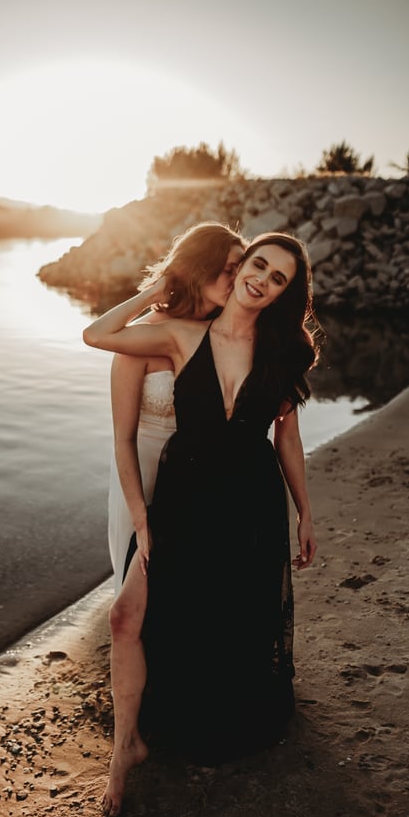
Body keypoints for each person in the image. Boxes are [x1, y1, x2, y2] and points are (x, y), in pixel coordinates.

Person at [84, 232, 319, 817]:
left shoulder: (280, 349)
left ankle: (210, 712)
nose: (261, 278)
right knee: (131, 613)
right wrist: (162, 288)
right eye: (256, 264)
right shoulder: (182, 334)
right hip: (184, 497)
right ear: (240, 268)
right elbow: (97, 335)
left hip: (249, 502)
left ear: (285, 292)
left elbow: (286, 435)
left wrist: (306, 510)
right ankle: (126, 748)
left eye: (278, 277)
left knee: (230, 617)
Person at [108, 223, 245, 594]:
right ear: (201, 266)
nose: (237, 278)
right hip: (145, 475)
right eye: (229, 268)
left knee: (192, 591)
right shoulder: (141, 336)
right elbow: (123, 438)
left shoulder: (223, 335)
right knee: (140, 596)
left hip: (202, 478)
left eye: (240, 269)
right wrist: (141, 518)